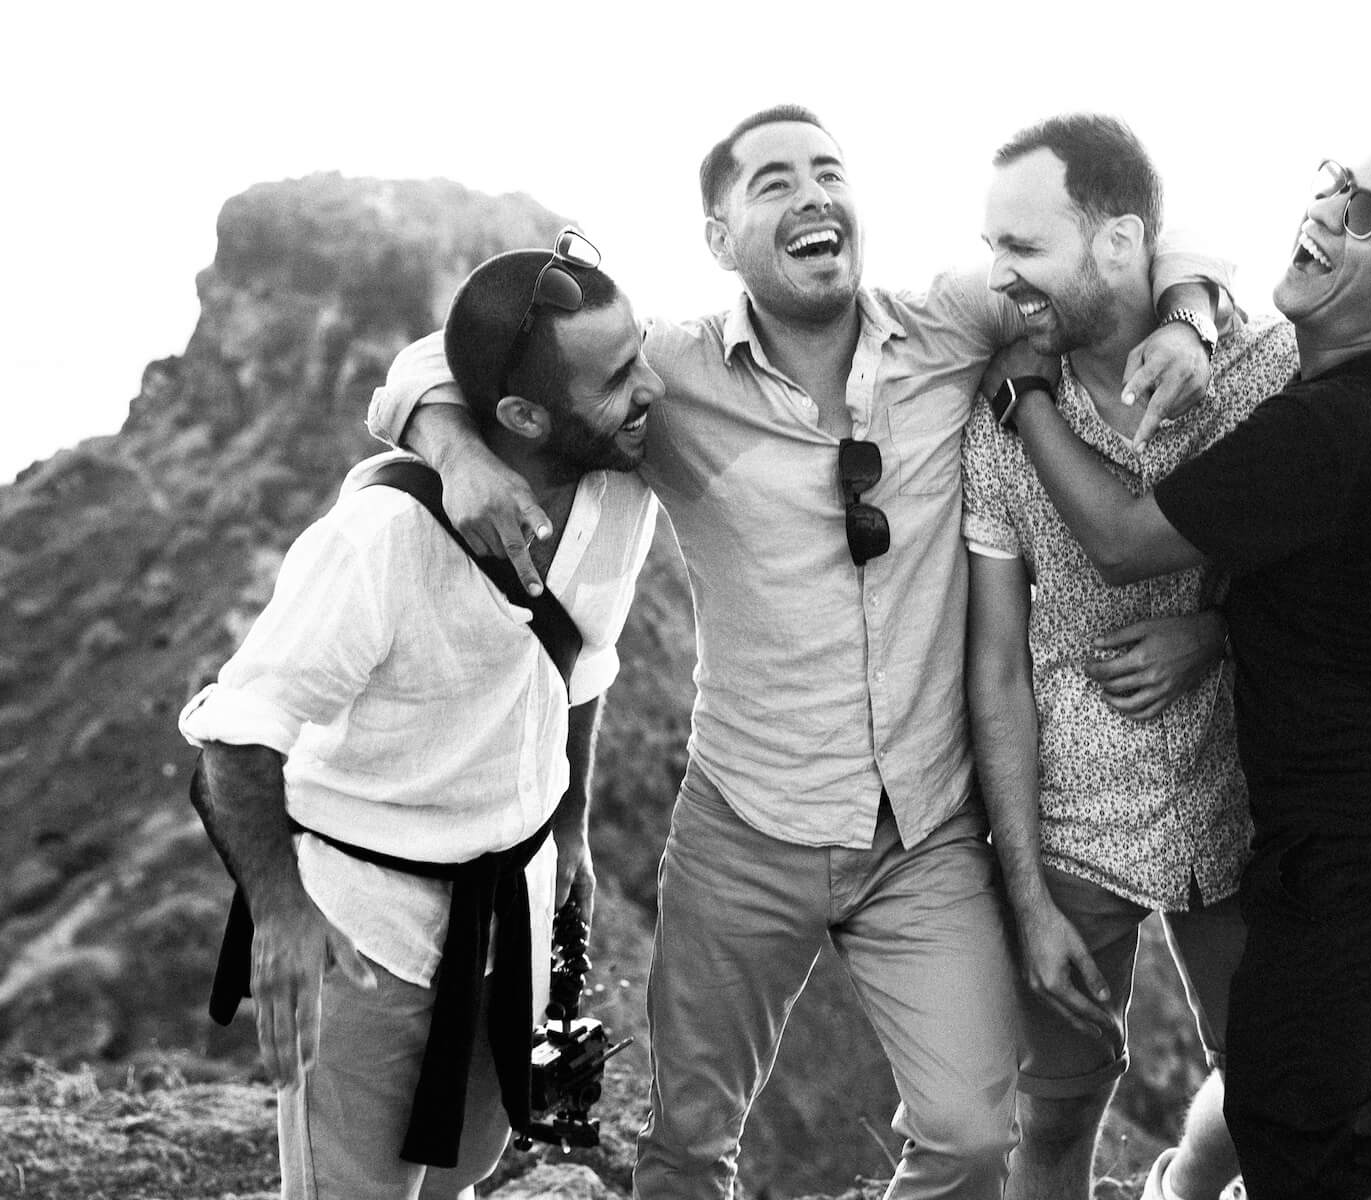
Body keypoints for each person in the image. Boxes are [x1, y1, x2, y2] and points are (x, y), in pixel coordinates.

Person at [363, 106, 1235, 1200]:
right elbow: (424, 365)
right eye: (773, 184)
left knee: (972, 1139)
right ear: (720, 238)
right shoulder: (666, 378)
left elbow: (1125, 236)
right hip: (743, 829)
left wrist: (1192, 314)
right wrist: (454, 451)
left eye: (828, 171)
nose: (813, 194)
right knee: (687, 1147)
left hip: (924, 833)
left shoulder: (948, 326)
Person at [1001, 130, 1371, 1200]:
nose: (1326, 213)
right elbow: (1321, 578)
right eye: (1340, 183)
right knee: (1276, 1102)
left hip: (1364, 856)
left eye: (1369, 217)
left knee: (1328, 1173)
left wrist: (1025, 399)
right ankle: (1181, 1191)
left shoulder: (1332, 427)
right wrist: (1189, 309)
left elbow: (1125, 539)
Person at [180, 232, 664, 1199]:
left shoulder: (624, 477)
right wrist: (281, 914)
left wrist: (569, 829)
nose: (654, 384)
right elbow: (237, 734)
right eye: (619, 376)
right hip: (370, 926)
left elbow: (584, 664)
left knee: (462, 1173)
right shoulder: (380, 539)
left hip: (512, 909)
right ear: (525, 413)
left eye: (640, 349)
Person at [965, 114, 1296, 1200]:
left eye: (1021, 247)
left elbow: (1332, 577)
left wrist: (1211, 631)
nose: (996, 275)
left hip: (1236, 802)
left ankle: (1181, 1190)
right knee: (1051, 1121)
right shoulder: (996, 415)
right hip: (1073, 826)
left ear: (1116, 245)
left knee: (1272, 1082)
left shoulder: (1260, 373)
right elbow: (998, 668)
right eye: (992, 245)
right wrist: (1025, 896)